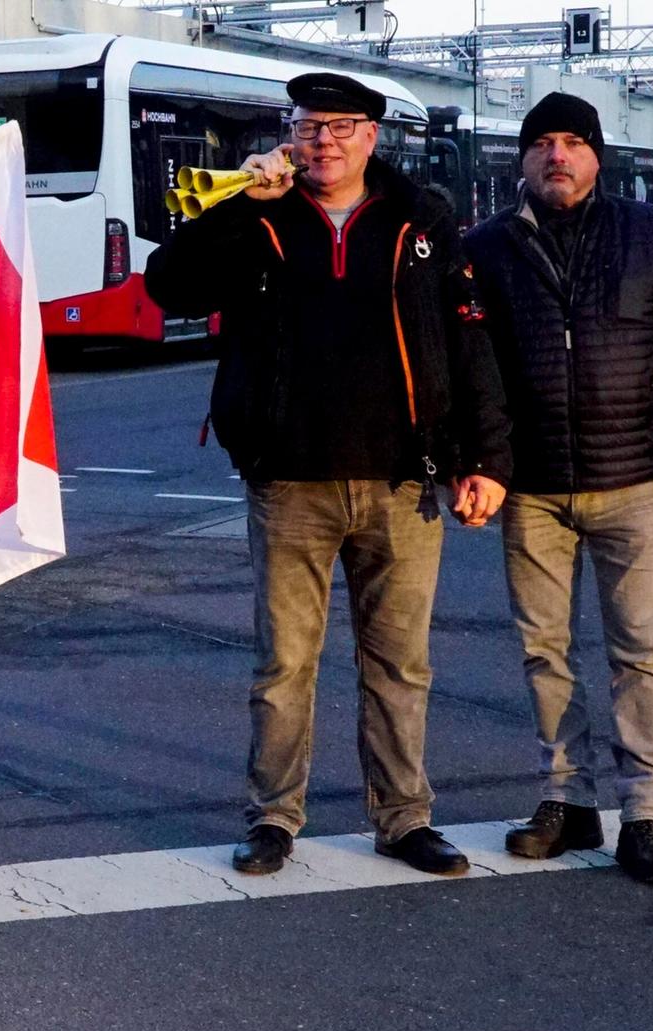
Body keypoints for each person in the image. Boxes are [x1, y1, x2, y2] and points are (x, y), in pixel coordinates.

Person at [143, 72, 512, 878]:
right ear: (291, 135)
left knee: (400, 665)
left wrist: (483, 459)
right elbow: (166, 284)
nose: (324, 142)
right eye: (309, 126)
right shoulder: (258, 215)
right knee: (284, 665)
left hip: (401, 481)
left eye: (342, 127)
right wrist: (241, 201)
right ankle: (274, 818)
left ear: (371, 137)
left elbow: (467, 339)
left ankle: (404, 819)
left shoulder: (421, 218)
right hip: (290, 480)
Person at [463, 92, 653, 886]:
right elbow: (472, 375)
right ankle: (565, 799)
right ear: (522, 160)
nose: (558, 156)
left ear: (596, 156)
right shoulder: (487, 247)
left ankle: (647, 815)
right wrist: (477, 462)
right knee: (545, 651)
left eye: (573, 143)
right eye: (542, 143)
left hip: (630, 483)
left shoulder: (647, 236)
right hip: (532, 490)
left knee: (638, 653)